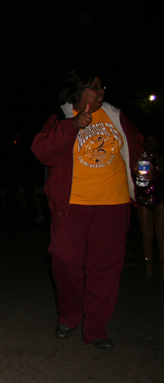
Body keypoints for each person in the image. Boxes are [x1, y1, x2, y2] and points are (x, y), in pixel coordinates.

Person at [31, 69, 144, 350]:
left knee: (104, 268)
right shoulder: (61, 117)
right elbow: (42, 151)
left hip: (113, 204)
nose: (101, 91)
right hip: (72, 205)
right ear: (78, 90)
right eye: (94, 87)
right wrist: (72, 126)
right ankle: (69, 316)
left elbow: (137, 147)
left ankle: (96, 328)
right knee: (64, 259)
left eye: (102, 87)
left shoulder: (116, 116)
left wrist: (146, 171)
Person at [136, 134, 164, 280]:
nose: (151, 144)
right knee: (148, 235)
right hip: (144, 198)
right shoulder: (140, 158)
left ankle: (162, 267)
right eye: (149, 141)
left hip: (161, 198)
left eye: (154, 141)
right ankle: (149, 268)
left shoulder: (161, 158)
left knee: (161, 234)